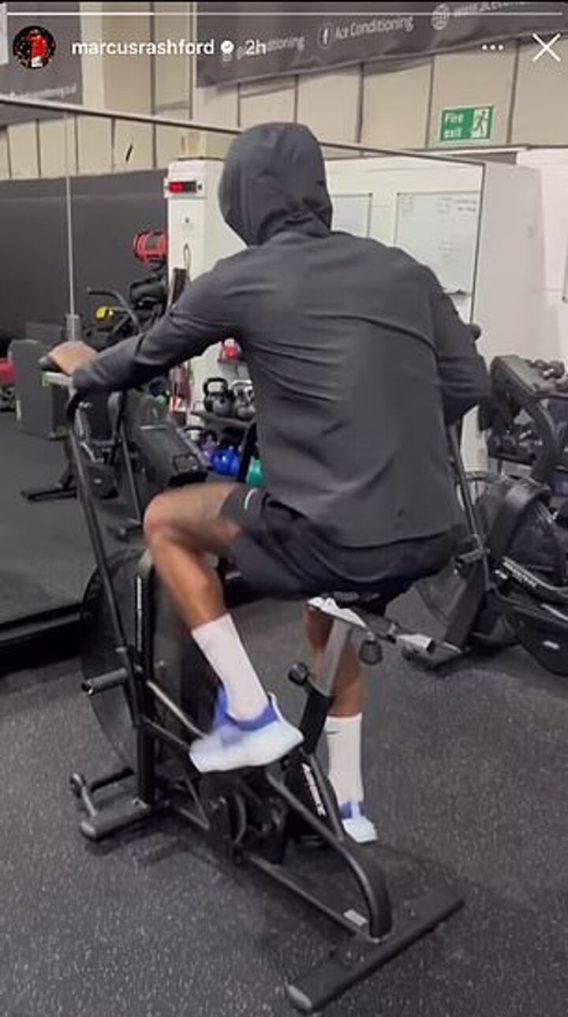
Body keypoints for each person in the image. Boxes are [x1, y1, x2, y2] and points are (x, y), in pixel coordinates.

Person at [51, 122, 490, 844]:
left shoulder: (243, 277)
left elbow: (144, 356)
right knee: (330, 617)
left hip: (330, 537)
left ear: (242, 200)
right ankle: (349, 805)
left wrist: (82, 368)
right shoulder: (404, 270)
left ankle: (251, 714)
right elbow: (469, 383)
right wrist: (385, 430)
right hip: (433, 535)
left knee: (165, 520)